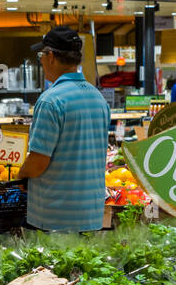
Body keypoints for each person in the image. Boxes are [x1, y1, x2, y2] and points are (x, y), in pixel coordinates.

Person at [18, 27, 110, 233]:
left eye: (41, 55)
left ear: (50, 56)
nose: (40, 61)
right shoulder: (98, 98)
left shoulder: (51, 100)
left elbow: (38, 162)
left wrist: (20, 174)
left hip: (54, 218)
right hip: (92, 214)